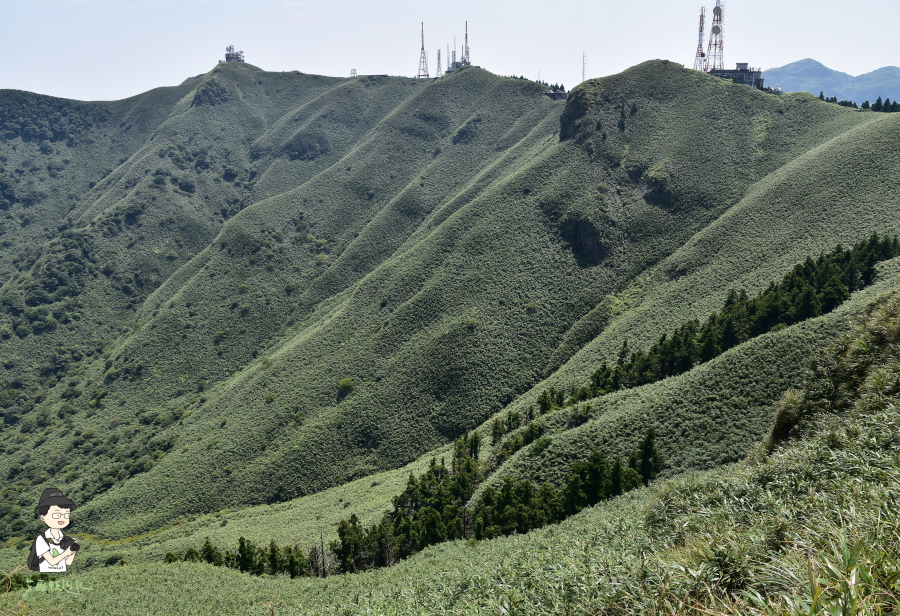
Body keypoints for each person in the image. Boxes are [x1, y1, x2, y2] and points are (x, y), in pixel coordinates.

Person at [33, 488, 78, 573]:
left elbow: (68, 563)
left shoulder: (64, 539)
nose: (62, 518)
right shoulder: (42, 539)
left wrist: (72, 550)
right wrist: (66, 552)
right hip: (46, 575)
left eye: (66, 515)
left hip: (62, 575)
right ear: (43, 517)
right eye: (57, 515)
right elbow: (52, 562)